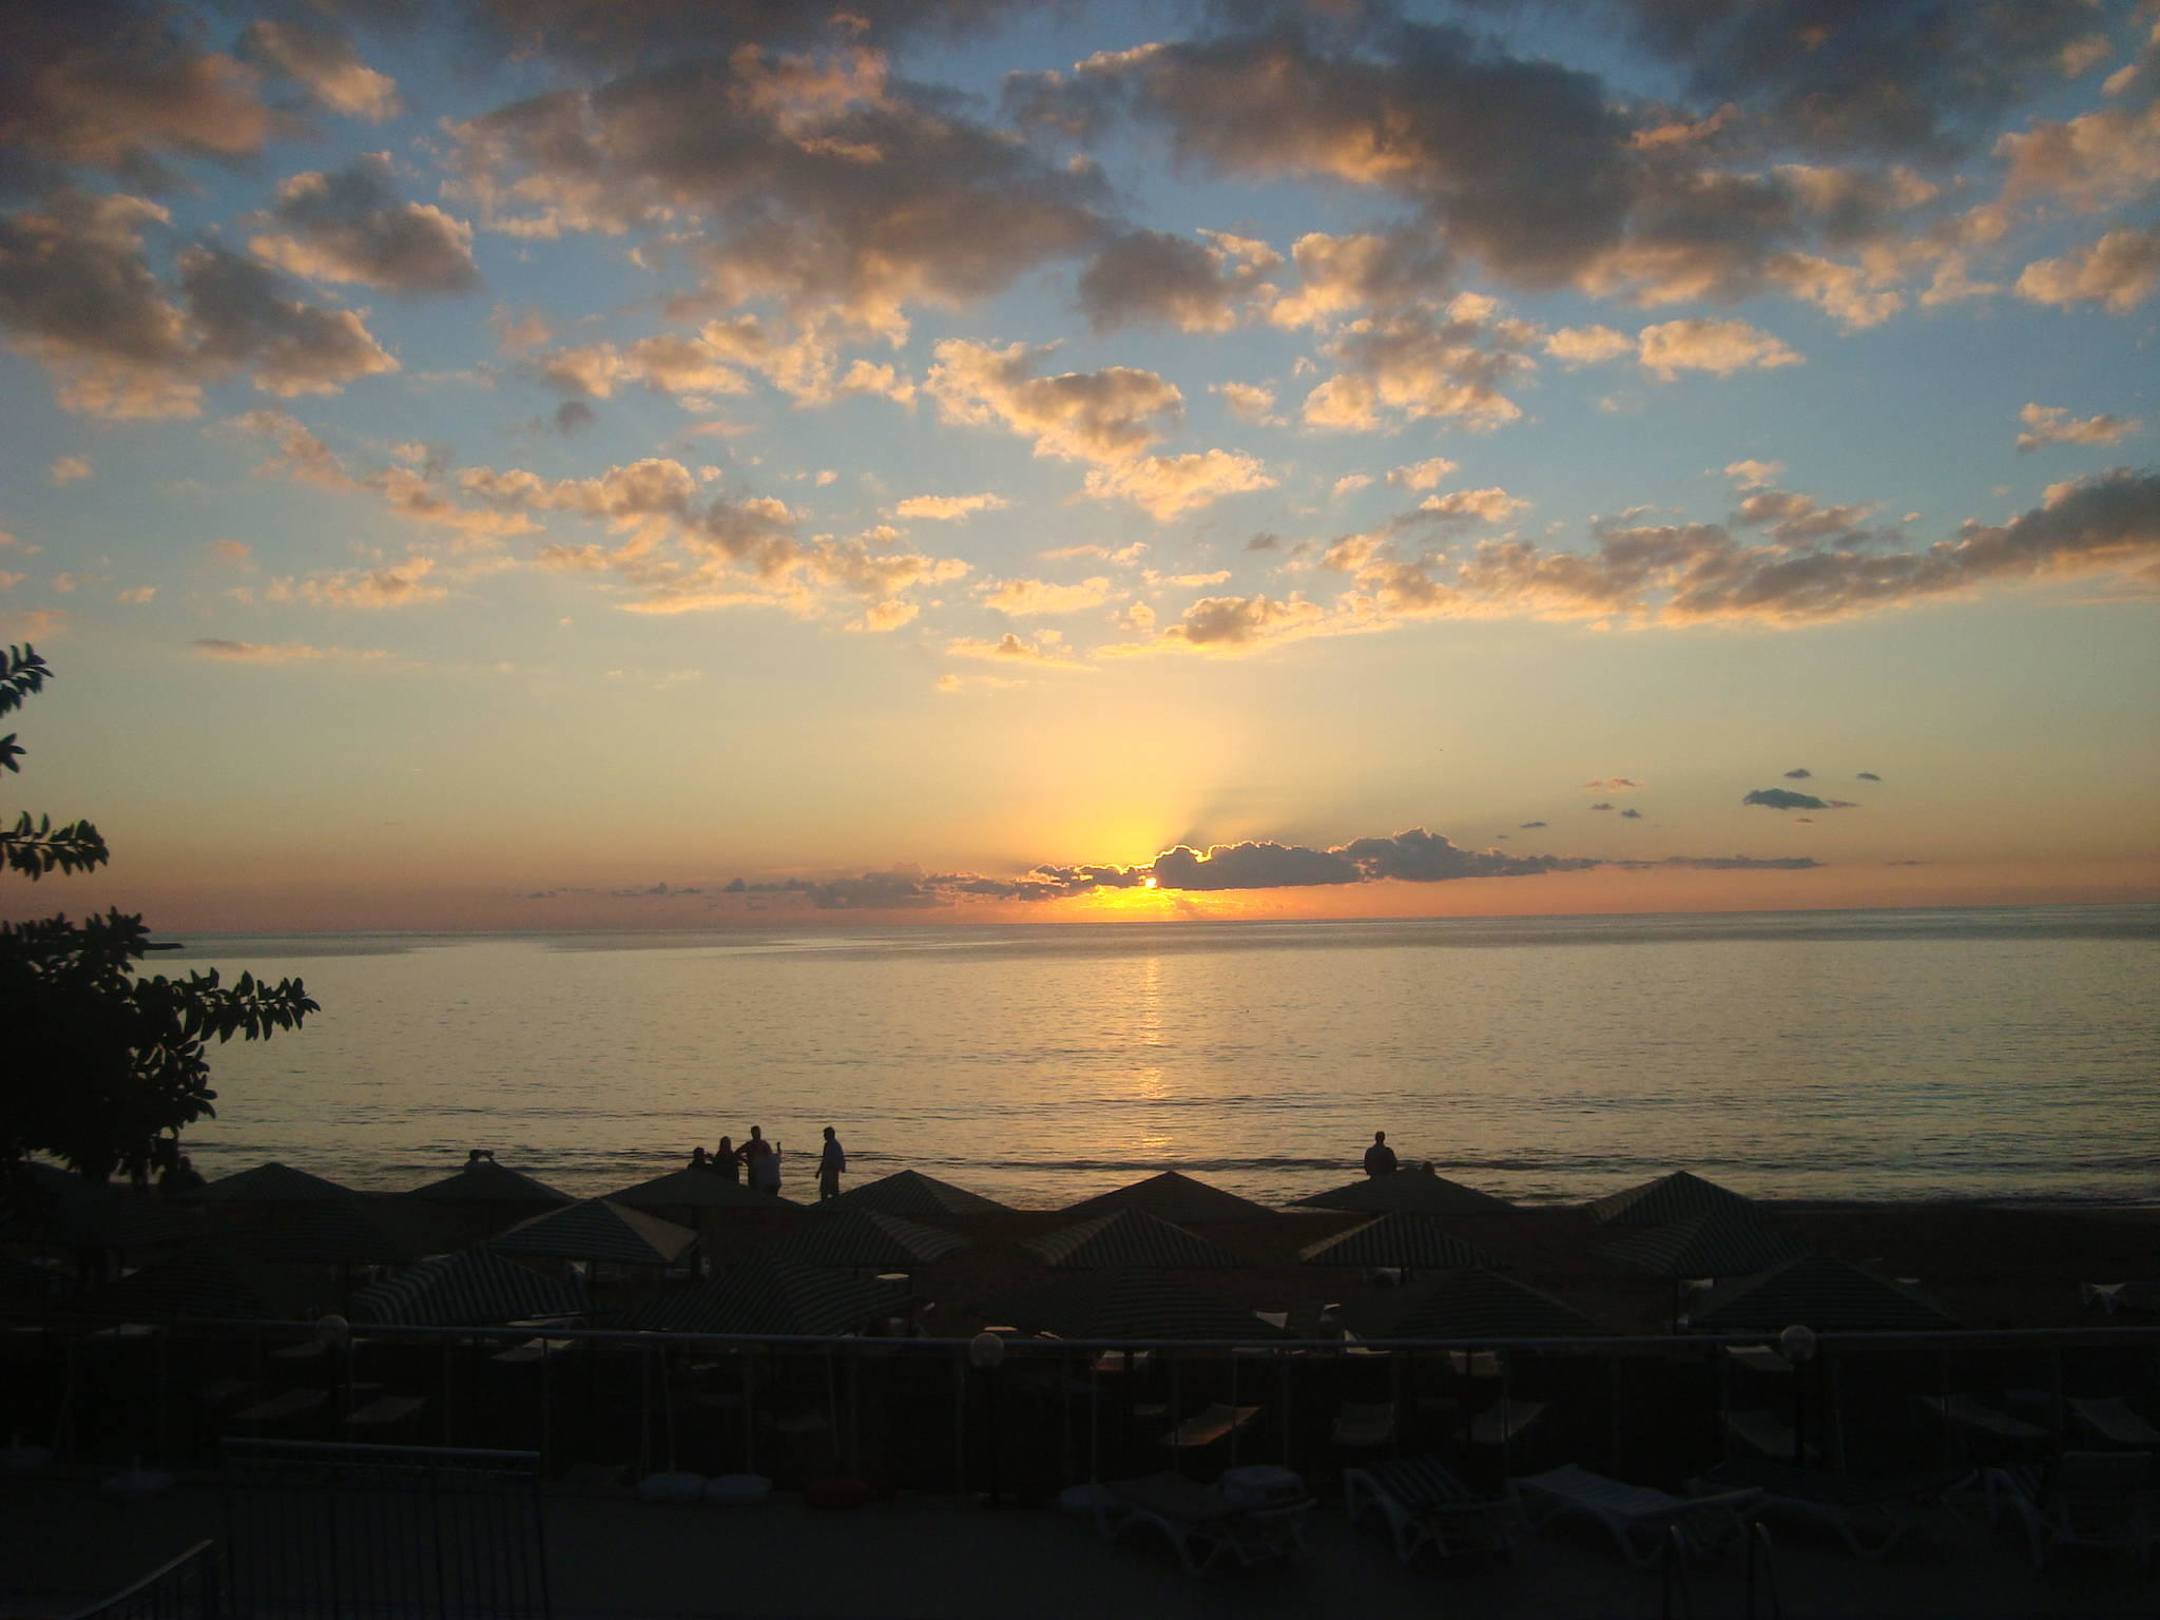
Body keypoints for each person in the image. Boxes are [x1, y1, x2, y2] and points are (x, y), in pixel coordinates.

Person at [744, 1126, 781, 1195]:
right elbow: (737, 1153)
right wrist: (746, 1161)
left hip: (762, 1173)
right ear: (752, 1134)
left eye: (758, 1132)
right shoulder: (749, 1145)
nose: (758, 1134)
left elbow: (775, 1156)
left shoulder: (764, 1144)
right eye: (755, 1133)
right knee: (754, 1191)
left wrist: (778, 1147)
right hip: (754, 1171)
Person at [816, 1126, 846, 1202]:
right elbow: (826, 1159)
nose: (824, 1136)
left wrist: (841, 1167)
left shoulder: (833, 1145)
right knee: (829, 1190)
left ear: (830, 1135)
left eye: (825, 1134)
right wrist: (819, 1171)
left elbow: (836, 1157)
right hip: (828, 1170)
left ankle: (829, 1205)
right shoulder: (830, 1144)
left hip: (831, 1170)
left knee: (828, 1190)